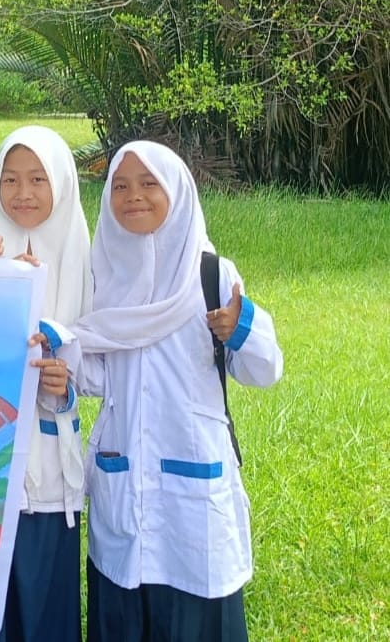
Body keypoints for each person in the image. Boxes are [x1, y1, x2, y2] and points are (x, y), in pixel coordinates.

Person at [73, 140, 282, 642]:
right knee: (124, 609)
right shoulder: (101, 278)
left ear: (178, 193)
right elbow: (96, 377)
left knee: (197, 614)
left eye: (149, 184)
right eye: (119, 186)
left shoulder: (211, 275)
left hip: (194, 488)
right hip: (122, 478)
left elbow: (265, 370)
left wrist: (240, 330)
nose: (133, 196)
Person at [0, 125, 91, 642]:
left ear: (61, 184)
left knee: (43, 609)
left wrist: (66, 380)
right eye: (10, 179)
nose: (23, 193)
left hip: (49, 476)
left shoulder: (88, 260)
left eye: (38, 178)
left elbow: (100, 364)